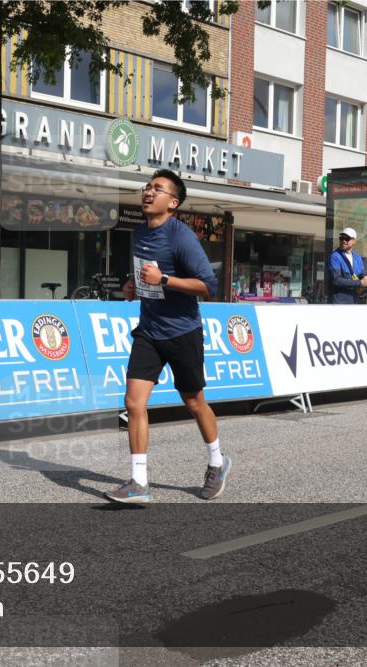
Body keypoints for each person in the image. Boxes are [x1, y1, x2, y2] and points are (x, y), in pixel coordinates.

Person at [106, 169, 227, 504]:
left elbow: (208, 286)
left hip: (183, 331)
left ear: (172, 202)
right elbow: (145, 273)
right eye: (147, 186)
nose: (148, 191)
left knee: (193, 401)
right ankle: (139, 482)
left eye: (157, 189)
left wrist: (163, 280)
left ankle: (217, 462)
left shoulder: (181, 237)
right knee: (133, 402)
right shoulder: (139, 232)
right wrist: (134, 287)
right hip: (149, 331)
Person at [327, 227, 367, 304]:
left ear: (354, 241)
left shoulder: (357, 257)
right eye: (341, 238)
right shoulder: (335, 256)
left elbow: (361, 276)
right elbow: (336, 280)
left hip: (354, 301)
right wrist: (361, 283)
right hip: (339, 303)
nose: (343, 241)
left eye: (347, 238)